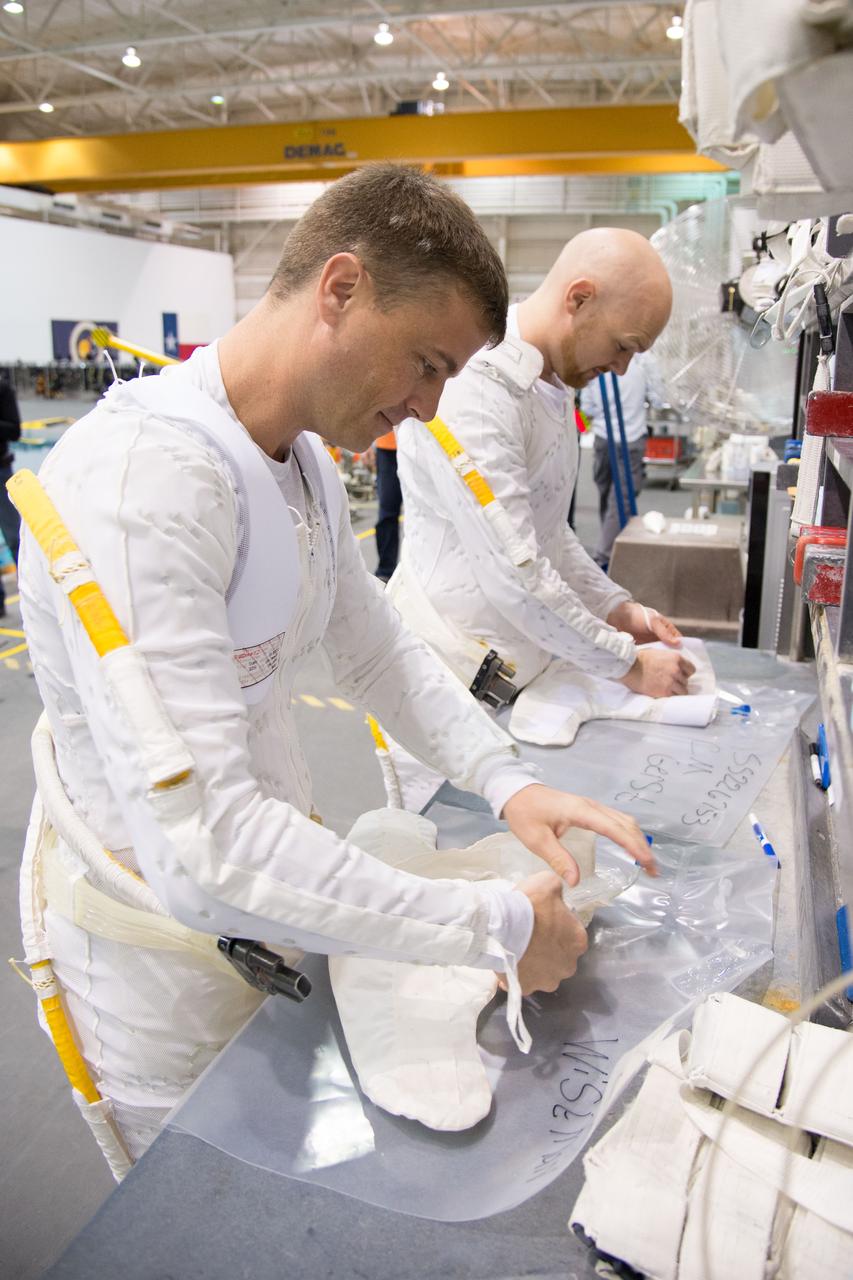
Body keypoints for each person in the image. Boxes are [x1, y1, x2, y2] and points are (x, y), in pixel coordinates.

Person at [12, 167, 653, 1169]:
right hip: (163, 955)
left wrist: (506, 779)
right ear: (341, 289)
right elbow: (208, 846)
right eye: (427, 361)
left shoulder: (297, 459)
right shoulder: (148, 485)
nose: (431, 405)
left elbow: (371, 642)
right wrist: (488, 923)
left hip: (270, 913)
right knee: (198, 1214)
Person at [390, 228, 695, 710]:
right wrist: (628, 664)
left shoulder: (547, 384)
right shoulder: (481, 389)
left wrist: (616, 609)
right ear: (580, 298)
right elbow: (516, 570)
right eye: (622, 345)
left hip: (516, 678)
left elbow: (548, 531)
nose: (620, 368)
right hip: (446, 689)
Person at [580, 350, 665, 569]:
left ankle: (608, 548)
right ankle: (604, 556)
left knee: (608, 496)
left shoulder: (597, 359)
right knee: (620, 502)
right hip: (631, 440)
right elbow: (658, 399)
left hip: (603, 440)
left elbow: (587, 409)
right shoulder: (644, 361)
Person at [0, 371, 21, 617]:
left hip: (2, 471)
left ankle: (30, 593)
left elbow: (15, 430)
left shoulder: (3, 389)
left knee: (15, 537)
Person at [372, 426, 402, 582]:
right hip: (387, 445)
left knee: (423, 512)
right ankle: (386, 571)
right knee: (387, 513)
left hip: (423, 441)